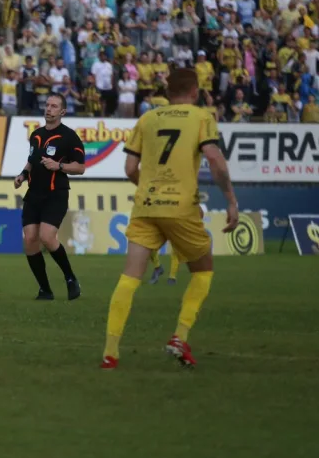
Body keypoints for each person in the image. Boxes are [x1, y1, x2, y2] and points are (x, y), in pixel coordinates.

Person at [101, 69, 239, 370]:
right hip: (181, 207)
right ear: (195, 91)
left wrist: (150, 191)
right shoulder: (201, 117)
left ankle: (110, 353)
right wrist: (230, 200)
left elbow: (129, 168)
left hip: (146, 206)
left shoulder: (147, 119)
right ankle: (180, 336)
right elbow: (214, 159)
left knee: (129, 277)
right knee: (203, 271)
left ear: (167, 90)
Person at [13, 94, 86, 300]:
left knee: (46, 237)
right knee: (30, 240)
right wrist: (22, 175)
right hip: (33, 194)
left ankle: (70, 278)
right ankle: (45, 289)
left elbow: (80, 167)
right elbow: (31, 160)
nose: (48, 109)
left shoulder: (70, 137)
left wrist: (59, 166)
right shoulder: (36, 134)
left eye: (54, 106)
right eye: (47, 105)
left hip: (56, 194)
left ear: (62, 112)